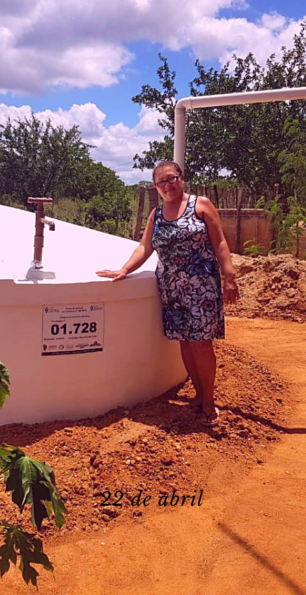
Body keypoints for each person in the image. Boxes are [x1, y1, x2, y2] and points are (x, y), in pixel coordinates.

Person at [97, 160, 239, 427]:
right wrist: (124, 269)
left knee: (201, 343)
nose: (167, 185)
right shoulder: (157, 215)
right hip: (171, 289)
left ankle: (208, 400)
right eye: (161, 182)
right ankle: (198, 394)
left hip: (201, 288)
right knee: (184, 342)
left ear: (181, 178)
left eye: (171, 179)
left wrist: (229, 276)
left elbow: (219, 241)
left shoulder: (201, 205)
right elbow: (144, 247)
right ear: (155, 187)